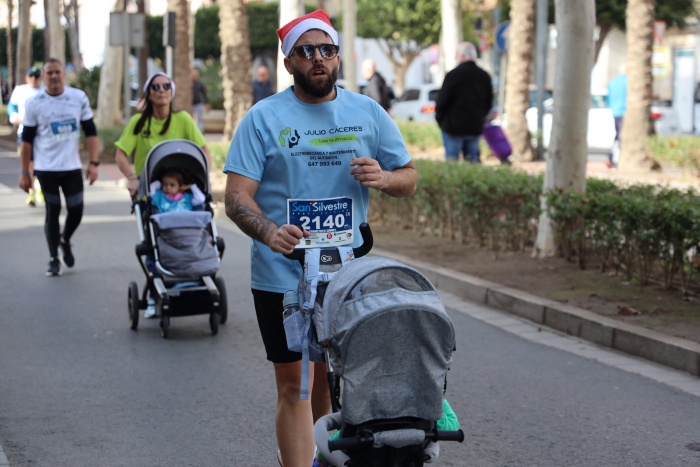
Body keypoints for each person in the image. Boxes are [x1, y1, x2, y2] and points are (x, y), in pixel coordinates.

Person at [223, 9, 418, 467]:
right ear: (288, 62)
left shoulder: (367, 112)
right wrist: (271, 232)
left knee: (331, 383)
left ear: (337, 57)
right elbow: (235, 197)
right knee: (296, 385)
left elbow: (409, 177)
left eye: (326, 50)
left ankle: (319, 457)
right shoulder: (262, 118)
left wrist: (385, 179)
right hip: (281, 274)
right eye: (305, 51)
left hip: (347, 275)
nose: (318, 59)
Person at [18, 58, 100, 277]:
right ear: (43, 77)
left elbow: (91, 132)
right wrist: (25, 172)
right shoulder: (34, 103)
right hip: (46, 169)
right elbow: (26, 142)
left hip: (71, 166)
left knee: (76, 209)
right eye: (49, 73)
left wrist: (93, 163)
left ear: (64, 74)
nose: (54, 76)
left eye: (57, 72)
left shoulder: (78, 98)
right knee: (52, 210)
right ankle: (54, 258)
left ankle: (65, 239)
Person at [114, 72, 211, 198]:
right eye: (155, 87)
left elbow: (204, 151)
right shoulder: (138, 121)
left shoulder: (183, 119)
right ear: (149, 94)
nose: (161, 90)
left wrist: (202, 178)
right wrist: (132, 178)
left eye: (166, 86)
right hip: (149, 192)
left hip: (180, 192)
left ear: (171, 92)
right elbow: (120, 154)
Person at [435, 42, 493, 163]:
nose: (455, 57)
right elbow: (489, 102)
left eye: (456, 54)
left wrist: (441, 120)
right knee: (472, 163)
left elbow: (442, 101)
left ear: (462, 56)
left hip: (453, 128)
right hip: (475, 126)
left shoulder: (453, 75)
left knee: (452, 164)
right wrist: (481, 117)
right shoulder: (484, 76)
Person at [8, 66, 45, 207]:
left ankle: (39, 185)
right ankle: (31, 194)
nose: (34, 79)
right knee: (29, 163)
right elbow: (12, 106)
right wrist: (14, 117)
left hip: (41, 134)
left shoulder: (45, 91)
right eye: (31, 76)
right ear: (26, 77)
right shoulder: (20, 90)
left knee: (38, 163)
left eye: (36, 76)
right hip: (25, 132)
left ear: (41, 77)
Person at [606, 64, 627, 169]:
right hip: (626, 112)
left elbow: (608, 99)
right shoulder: (629, 82)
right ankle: (614, 159)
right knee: (621, 136)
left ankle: (611, 157)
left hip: (615, 112)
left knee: (618, 135)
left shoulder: (613, 82)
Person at [191, 68, 209, 133]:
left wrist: (206, 103)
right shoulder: (189, 83)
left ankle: (200, 132)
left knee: (199, 119)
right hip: (190, 104)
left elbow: (204, 93)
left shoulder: (200, 83)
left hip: (198, 104)